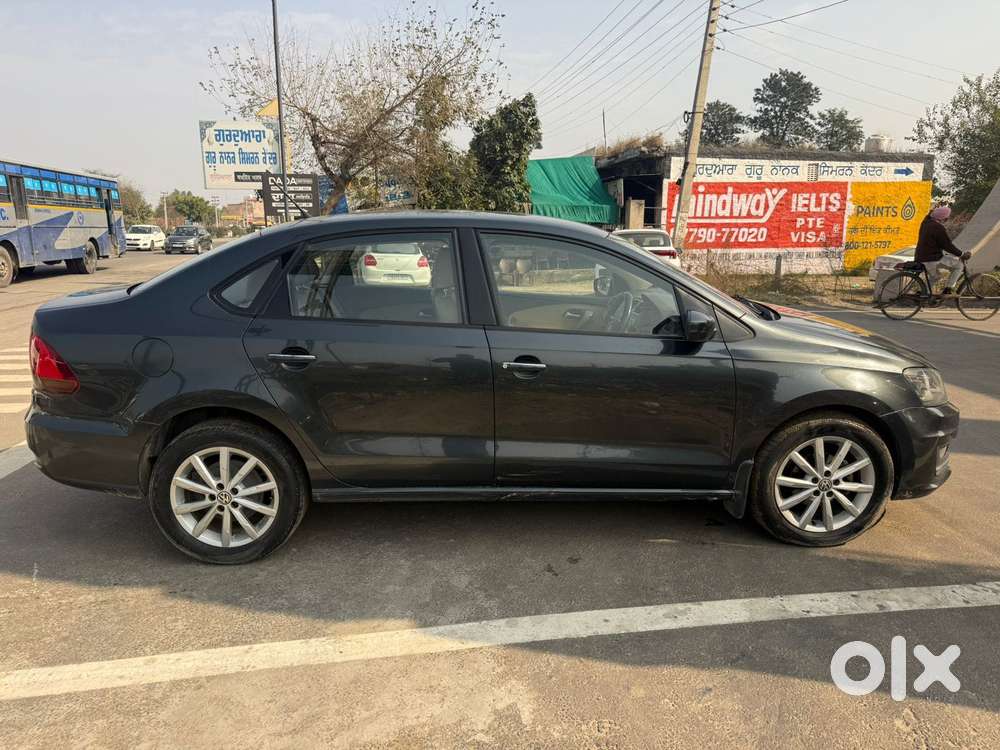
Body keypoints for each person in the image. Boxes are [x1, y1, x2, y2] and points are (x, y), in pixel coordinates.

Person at [914, 205, 971, 294]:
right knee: (959, 265)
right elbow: (947, 245)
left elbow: (935, 243)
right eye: (946, 217)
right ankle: (948, 289)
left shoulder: (925, 223)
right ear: (943, 218)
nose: (947, 219)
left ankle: (924, 293)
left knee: (935, 277)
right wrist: (961, 254)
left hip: (920, 257)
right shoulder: (938, 227)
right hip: (932, 259)